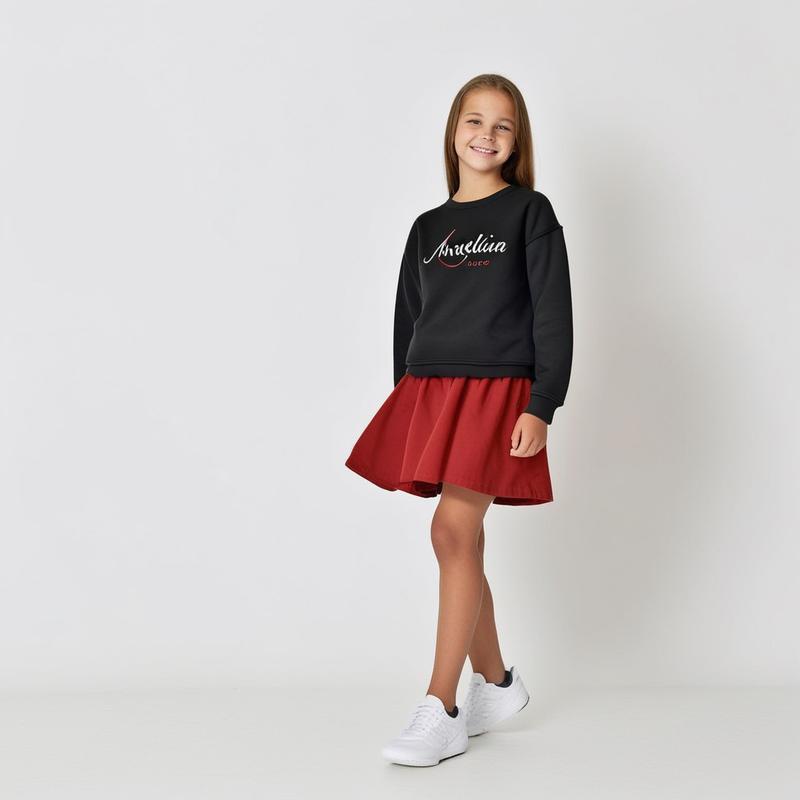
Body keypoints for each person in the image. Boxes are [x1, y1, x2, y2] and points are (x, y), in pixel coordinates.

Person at [344, 73, 574, 767]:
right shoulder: (427, 228)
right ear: (453, 131)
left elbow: (553, 314)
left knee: (450, 529)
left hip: (498, 390)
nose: (486, 134)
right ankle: (496, 685)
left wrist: (542, 403)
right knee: (461, 540)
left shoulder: (529, 213)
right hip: (433, 392)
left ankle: (442, 707)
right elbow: (408, 321)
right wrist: (407, 403)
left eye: (503, 125)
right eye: (474, 120)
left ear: (517, 141)